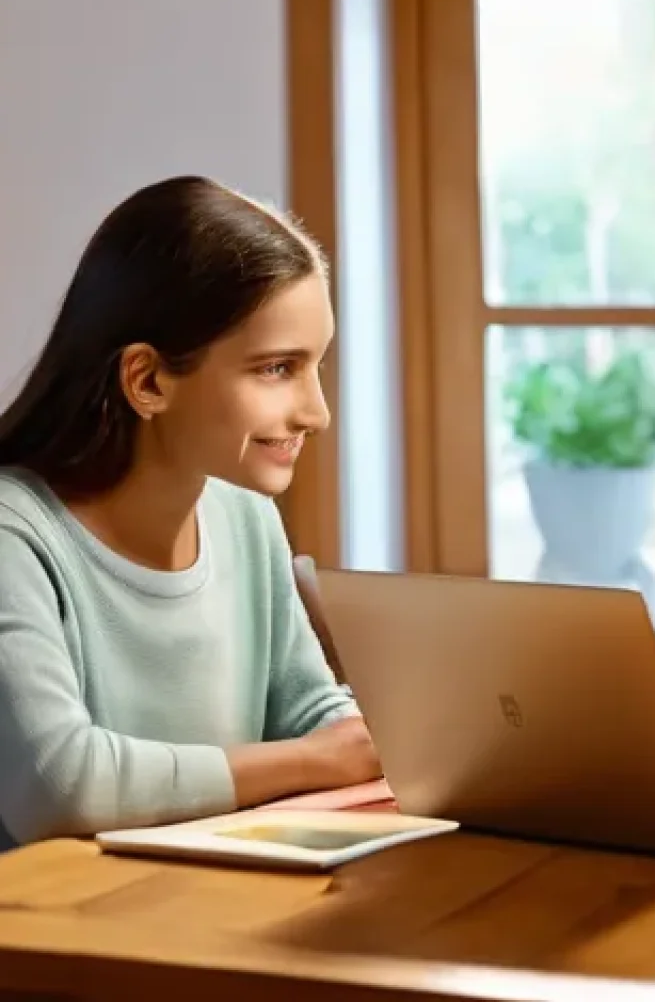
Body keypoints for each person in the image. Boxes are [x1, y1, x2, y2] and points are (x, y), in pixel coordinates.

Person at [0, 176, 381, 850]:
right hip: (47, 941)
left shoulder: (244, 513)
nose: (316, 413)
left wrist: (382, 739)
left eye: (315, 365)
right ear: (146, 380)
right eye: (275, 369)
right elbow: (57, 787)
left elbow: (310, 714)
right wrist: (315, 761)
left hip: (203, 907)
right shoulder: (16, 535)